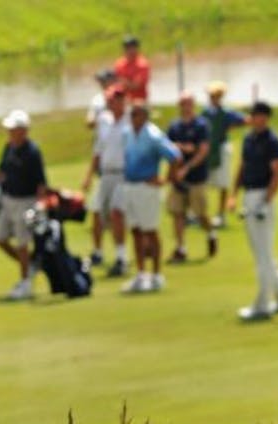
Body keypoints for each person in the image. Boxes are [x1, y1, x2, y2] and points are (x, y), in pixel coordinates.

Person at [228, 100, 278, 321]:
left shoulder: (273, 142)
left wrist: (266, 202)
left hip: (263, 197)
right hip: (249, 195)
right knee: (260, 252)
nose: (251, 118)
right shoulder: (248, 139)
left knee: (263, 255)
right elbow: (243, 167)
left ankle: (263, 305)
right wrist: (233, 195)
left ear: (265, 117)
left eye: (255, 115)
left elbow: (277, 175)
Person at [119, 101, 180, 293]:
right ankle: (141, 274)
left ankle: (156, 275)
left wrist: (166, 179)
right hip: (130, 186)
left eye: (136, 114)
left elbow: (175, 156)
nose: (132, 118)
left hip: (147, 188)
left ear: (144, 116)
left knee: (150, 231)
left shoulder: (153, 135)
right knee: (136, 231)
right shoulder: (128, 134)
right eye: (131, 114)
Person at [0, 109, 48, 301]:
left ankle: (25, 283)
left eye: (13, 129)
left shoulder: (33, 152)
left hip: (26, 201)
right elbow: (1, 171)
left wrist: (40, 206)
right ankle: (31, 266)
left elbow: (41, 183)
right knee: (0, 240)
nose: (9, 132)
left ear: (23, 130)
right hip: (8, 200)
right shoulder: (9, 147)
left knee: (23, 243)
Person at [166, 90, 216, 263]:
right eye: (182, 104)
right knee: (177, 213)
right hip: (178, 178)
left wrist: (186, 167)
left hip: (196, 177)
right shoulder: (174, 126)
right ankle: (181, 248)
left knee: (200, 214)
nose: (185, 108)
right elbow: (169, 149)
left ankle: (210, 233)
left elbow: (202, 151)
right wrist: (174, 171)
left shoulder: (201, 125)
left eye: (188, 104)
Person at [82, 73, 123, 268]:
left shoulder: (130, 121)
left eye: (114, 100)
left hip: (123, 175)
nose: (111, 104)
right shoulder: (104, 121)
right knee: (97, 211)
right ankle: (98, 252)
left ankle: (121, 256)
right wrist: (89, 176)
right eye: (109, 100)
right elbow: (98, 150)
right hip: (105, 173)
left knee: (117, 215)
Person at [201, 81, 247, 229]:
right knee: (203, 183)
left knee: (223, 182)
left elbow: (244, 120)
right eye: (212, 96)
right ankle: (202, 214)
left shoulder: (226, 113)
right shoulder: (205, 113)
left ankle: (221, 215)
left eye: (216, 96)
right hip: (207, 150)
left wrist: (231, 127)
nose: (214, 98)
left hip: (221, 149)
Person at [113, 35, 150, 103]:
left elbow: (137, 86)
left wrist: (124, 82)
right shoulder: (119, 63)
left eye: (132, 47)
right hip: (123, 101)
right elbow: (116, 83)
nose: (130, 50)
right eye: (127, 48)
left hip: (140, 101)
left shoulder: (142, 64)